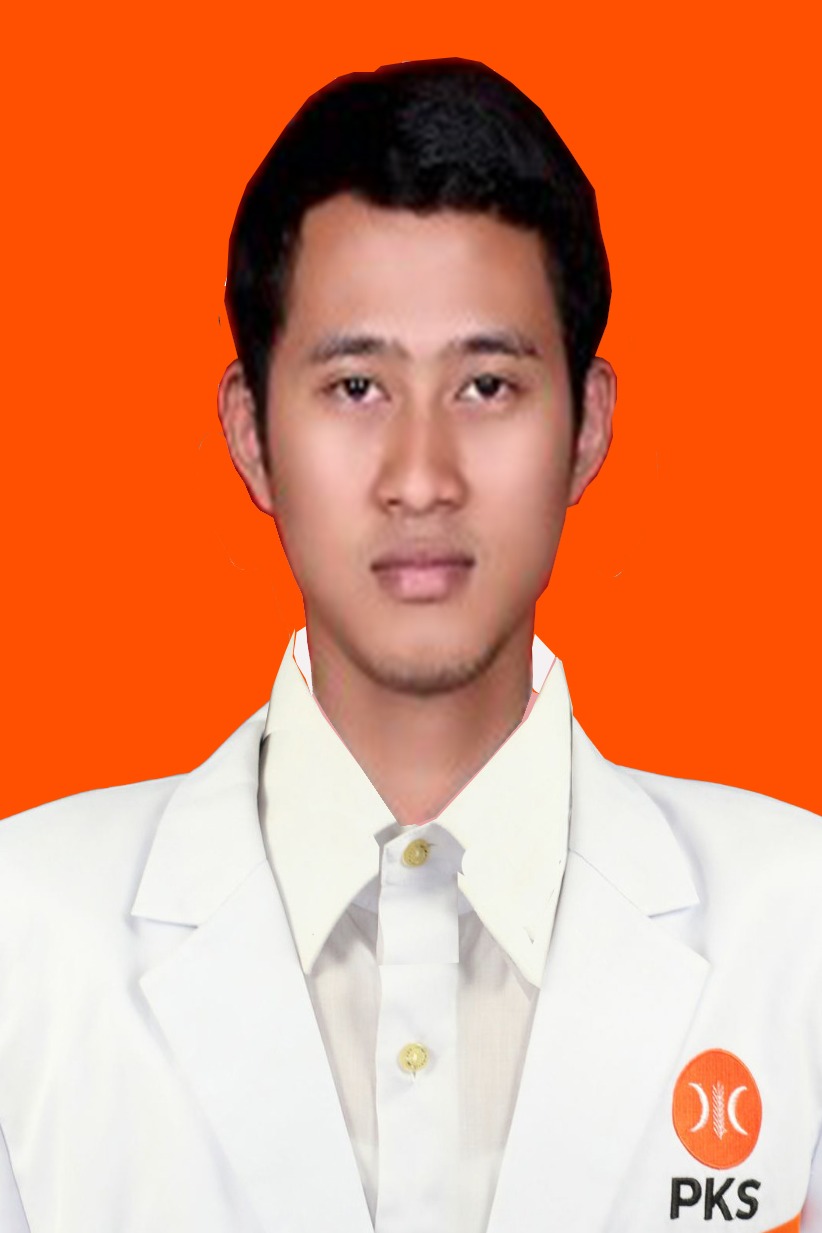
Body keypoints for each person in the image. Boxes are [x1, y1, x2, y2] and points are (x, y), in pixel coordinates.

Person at [0, 56, 820, 1233]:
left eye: (486, 386)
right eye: (356, 387)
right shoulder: (26, 939)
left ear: (587, 428)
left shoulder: (795, 931)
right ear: (251, 433)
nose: (422, 478)